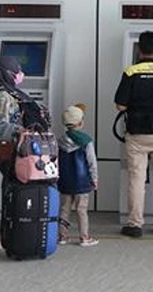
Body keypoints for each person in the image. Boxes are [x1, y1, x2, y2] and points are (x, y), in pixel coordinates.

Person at [115, 31, 153, 239]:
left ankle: (135, 224)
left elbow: (120, 105)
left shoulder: (131, 72)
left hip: (137, 133)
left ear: (139, 49)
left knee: (137, 178)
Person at [0, 56, 38, 251]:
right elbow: (1, 126)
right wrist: (20, 131)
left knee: (13, 190)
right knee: (10, 191)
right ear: (7, 74)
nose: (20, 74)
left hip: (17, 147)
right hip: (6, 150)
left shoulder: (11, 93)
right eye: (17, 71)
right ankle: (1, 235)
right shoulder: (2, 96)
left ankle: (10, 232)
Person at [58, 105, 99, 247]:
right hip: (82, 181)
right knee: (82, 210)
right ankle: (84, 237)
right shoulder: (86, 141)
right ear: (80, 122)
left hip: (64, 181)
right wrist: (94, 179)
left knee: (64, 209)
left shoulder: (60, 140)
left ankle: (62, 236)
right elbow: (91, 162)